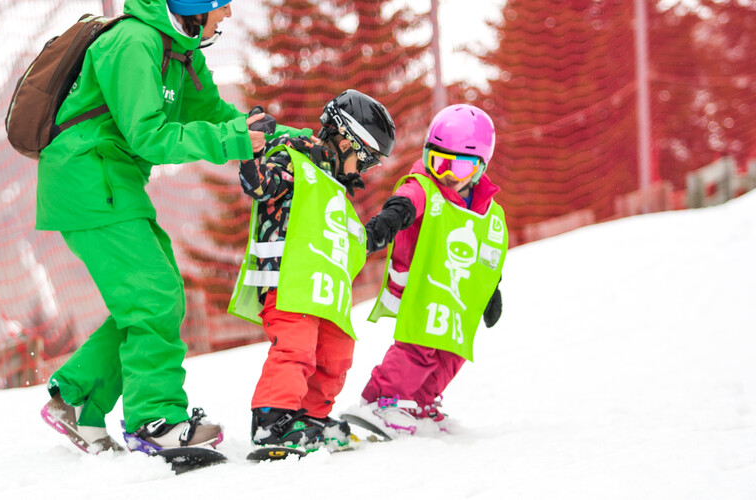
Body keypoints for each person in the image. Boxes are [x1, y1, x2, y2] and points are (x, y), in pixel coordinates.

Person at [37, 0, 312, 455]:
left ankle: (77, 400)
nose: (226, 15)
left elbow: (213, 113)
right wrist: (234, 141)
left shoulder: (181, 49)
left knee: (157, 296)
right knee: (152, 297)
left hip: (112, 180)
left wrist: (278, 135)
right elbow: (148, 135)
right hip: (87, 180)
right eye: (220, 5)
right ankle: (153, 420)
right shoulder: (133, 43)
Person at [229, 90, 396, 453]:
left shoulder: (335, 188)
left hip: (323, 290)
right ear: (345, 140)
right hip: (289, 283)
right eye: (365, 160)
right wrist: (251, 147)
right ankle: (272, 421)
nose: (363, 170)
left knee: (336, 352)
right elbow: (259, 185)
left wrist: (375, 233)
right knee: (296, 349)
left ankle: (309, 417)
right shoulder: (297, 159)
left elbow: (343, 241)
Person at [340, 104, 508, 439]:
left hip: (458, 299)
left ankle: (420, 403)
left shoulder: (490, 213)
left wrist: (491, 291)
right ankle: (381, 401)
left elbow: (487, 255)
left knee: (451, 354)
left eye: (457, 165)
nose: (444, 172)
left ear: (478, 168)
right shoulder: (425, 187)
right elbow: (407, 199)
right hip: (422, 289)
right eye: (437, 161)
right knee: (417, 349)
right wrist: (389, 219)